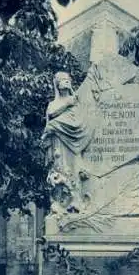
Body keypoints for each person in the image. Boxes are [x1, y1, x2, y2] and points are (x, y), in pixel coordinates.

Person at [43, 72, 93, 213]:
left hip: (74, 143)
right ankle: (60, 203)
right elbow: (51, 115)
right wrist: (65, 106)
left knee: (75, 170)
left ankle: (77, 201)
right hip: (58, 143)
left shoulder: (75, 101)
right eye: (62, 80)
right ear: (57, 84)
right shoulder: (54, 104)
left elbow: (78, 121)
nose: (65, 82)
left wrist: (55, 125)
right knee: (59, 171)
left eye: (67, 80)